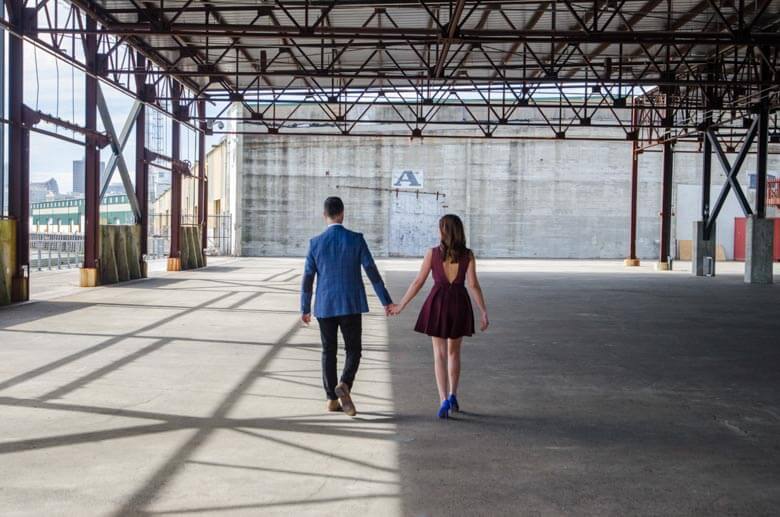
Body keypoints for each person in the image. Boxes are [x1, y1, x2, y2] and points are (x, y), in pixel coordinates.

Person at [301, 196, 396, 417]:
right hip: (351, 304)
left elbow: (307, 278)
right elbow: (371, 271)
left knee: (328, 351)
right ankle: (344, 383)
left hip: (325, 305)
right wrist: (386, 301)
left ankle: (331, 400)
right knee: (354, 350)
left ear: (324, 215)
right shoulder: (356, 240)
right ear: (342, 213)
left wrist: (305, 308)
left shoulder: (315, 243)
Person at [391, 214, 488, 419]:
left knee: (439, 354)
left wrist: (401, 305)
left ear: (443, 231)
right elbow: (473, 285)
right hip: (459, 304)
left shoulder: (432, 253)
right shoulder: (468, 255)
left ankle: (443, 399)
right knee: (454, 353)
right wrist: (483, 311)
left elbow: (418, 282)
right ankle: (453, 394)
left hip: (438, 303)